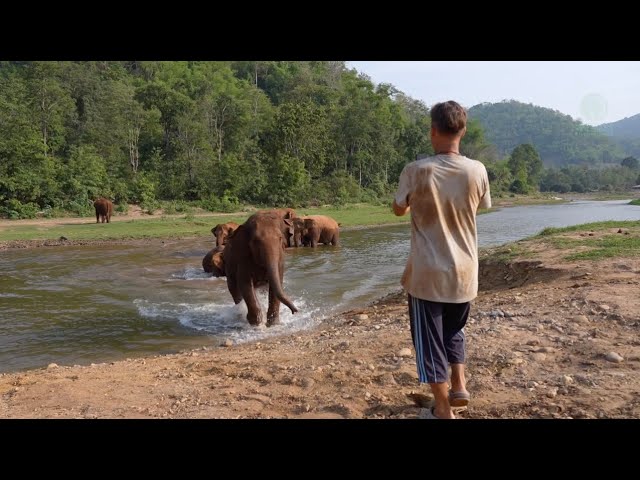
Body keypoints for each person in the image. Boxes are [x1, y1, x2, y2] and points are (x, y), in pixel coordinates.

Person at [392, 100, 491, 419]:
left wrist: (411, 205)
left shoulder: (416, 170)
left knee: (430, 343)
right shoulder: (477, 170)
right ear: (462, 131)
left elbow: (398, 208)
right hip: (465, 271)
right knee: (454, 331)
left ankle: (443, 409)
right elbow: (480, 205)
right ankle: (459, 383)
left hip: (427, 275)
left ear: (433, 131)